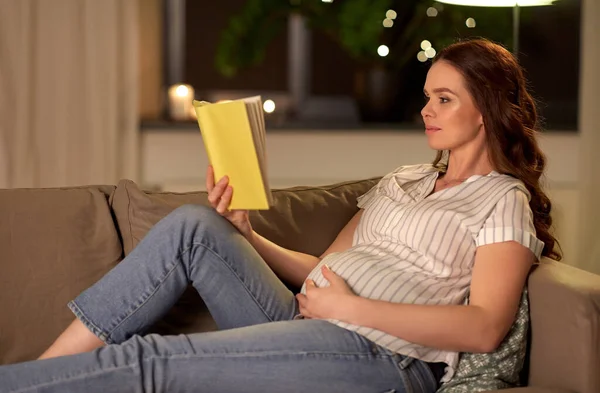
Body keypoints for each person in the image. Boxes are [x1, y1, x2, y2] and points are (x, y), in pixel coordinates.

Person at [0, 38, 561, 393]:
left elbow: (485, 327)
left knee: (153, 359)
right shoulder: (402, 180)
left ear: (485, 109)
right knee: (195, 225)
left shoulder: (500, 199)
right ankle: (44, 369)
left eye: (444, 98)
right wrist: (247, 235)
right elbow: (324, 266)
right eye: (426, 96)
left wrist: (348, 306)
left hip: (380, 357)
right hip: (307, 320)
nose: (425, 109)